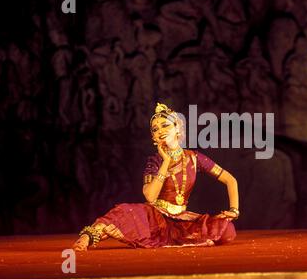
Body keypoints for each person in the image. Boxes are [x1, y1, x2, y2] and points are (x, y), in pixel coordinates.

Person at [73, 103, 239, 251]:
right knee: (123, 212)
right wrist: (165, 161)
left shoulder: (194, 158)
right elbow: (150, 197)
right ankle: (87, 237)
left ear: (177, 128)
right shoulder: (155, 161)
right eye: (155, 129)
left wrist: (234, 210)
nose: (160, 131)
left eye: (165, 125)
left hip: (182, 219)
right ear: (153, 137)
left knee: (227, 230)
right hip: (154, 217)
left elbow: (230, 180)